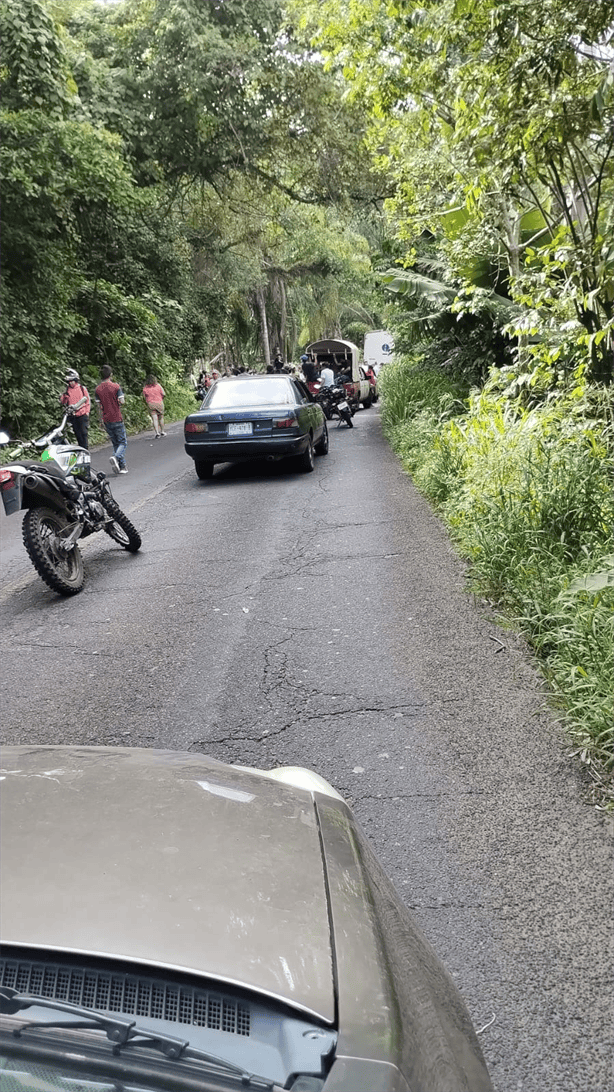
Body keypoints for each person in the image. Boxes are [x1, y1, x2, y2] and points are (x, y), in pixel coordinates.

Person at [95, 365, 128, 475]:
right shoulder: (116, 387)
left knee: (115, 443)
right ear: (111, 375)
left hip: (106, 419)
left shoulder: (98, 389)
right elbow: (122, 401)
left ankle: (122, 466)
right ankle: (116, 457)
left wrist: (100, 420)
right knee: (122, 442)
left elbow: (98, 407)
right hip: (117, 417)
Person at [60, 369, 90, 449]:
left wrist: (87, 412)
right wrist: (64, 395)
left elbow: (87, 401)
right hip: (73, 416)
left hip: (82, 414)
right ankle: (81, 449)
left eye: (72, 381)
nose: (70, 383)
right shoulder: (67, 390)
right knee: (77, 434)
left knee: (84, 433)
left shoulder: (82, 388)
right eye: (69, 381)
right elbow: (63, 402)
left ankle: (85, 449)